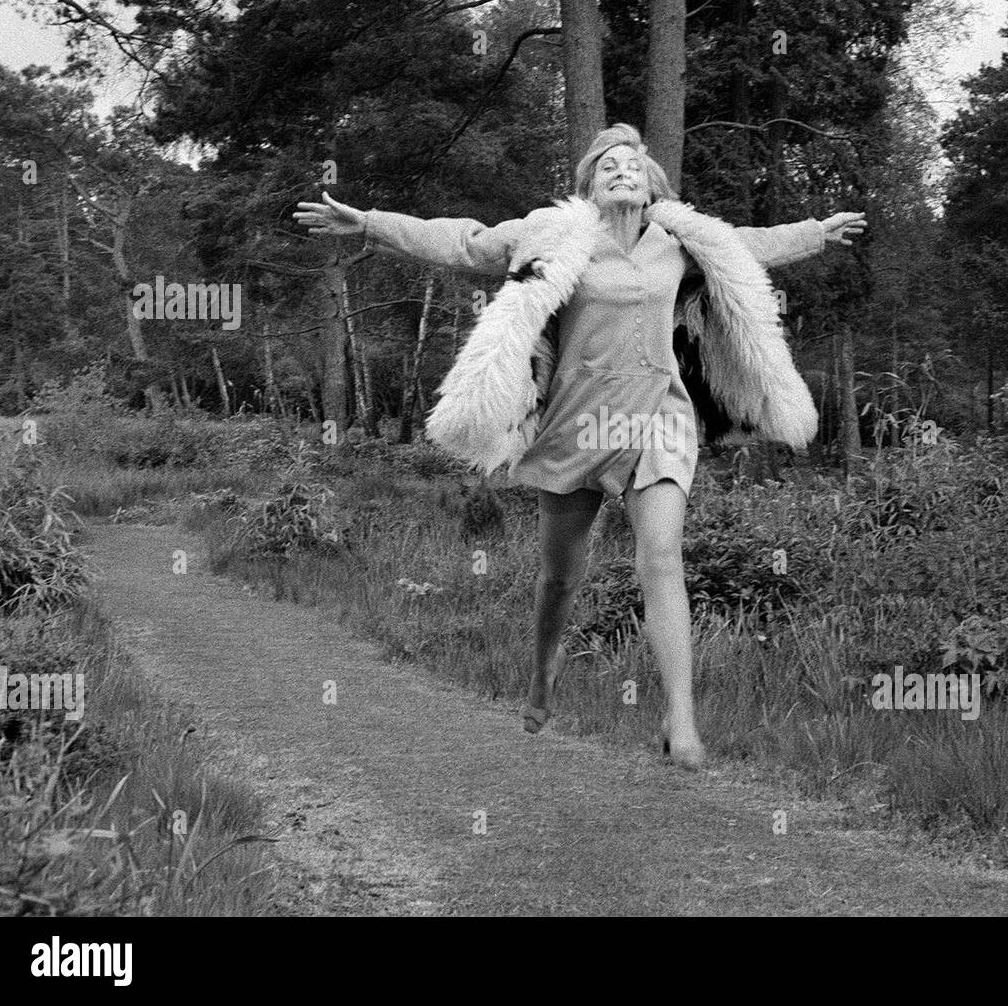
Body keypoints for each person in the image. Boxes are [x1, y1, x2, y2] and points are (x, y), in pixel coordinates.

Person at [294, 124, 865, 769]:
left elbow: (749, 246)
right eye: (608, 166)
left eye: (633, 165)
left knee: (662, 556)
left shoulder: (680, 242)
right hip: (576, 423)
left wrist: (817, 232)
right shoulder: (553, 234)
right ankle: (543, 671)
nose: (623, 171)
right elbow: (466, 241)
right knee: (560, 575)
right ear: (590, 186)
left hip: (658, 419)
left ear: (651, 184)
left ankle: (681, 721)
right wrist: (369, 223)